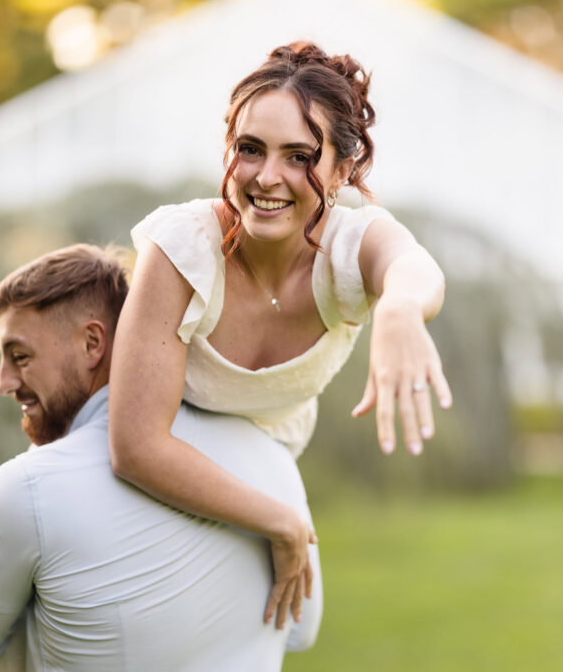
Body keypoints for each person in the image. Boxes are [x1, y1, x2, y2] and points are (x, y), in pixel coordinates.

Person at [109, 41, 451, 631]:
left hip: (261, 476)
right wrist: (282, 521)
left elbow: (413, 267)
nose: (268, 177)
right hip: (151, 481)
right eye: (250, 150)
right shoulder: (181, 247)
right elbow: (135, 445)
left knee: (295, 629)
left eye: (299, 157)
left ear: (341, 172)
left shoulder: (351, 245)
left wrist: (397, 311)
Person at [0, 244, 319, 671]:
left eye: (20, 357)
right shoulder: (270, 457)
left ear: (92, 343)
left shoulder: (28, 489)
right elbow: (301, 630)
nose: (4, 383)